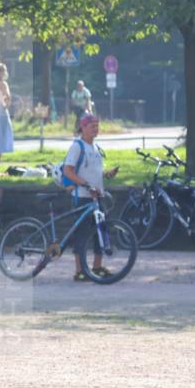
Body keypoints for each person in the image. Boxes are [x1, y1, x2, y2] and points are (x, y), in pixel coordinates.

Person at [62, 114, 119, 282]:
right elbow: (68, 171)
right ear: (83, 127)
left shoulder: (95, 148)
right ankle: (79, 271)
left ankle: (97, 267)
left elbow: (94, 171)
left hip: (97, 198)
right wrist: (86, 185)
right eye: (92, 126)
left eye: (97, 126)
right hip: (83, 197)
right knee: (82, 234)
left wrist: (106, 175)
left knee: (100, 232)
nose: (96, 129)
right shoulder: (77, 146)